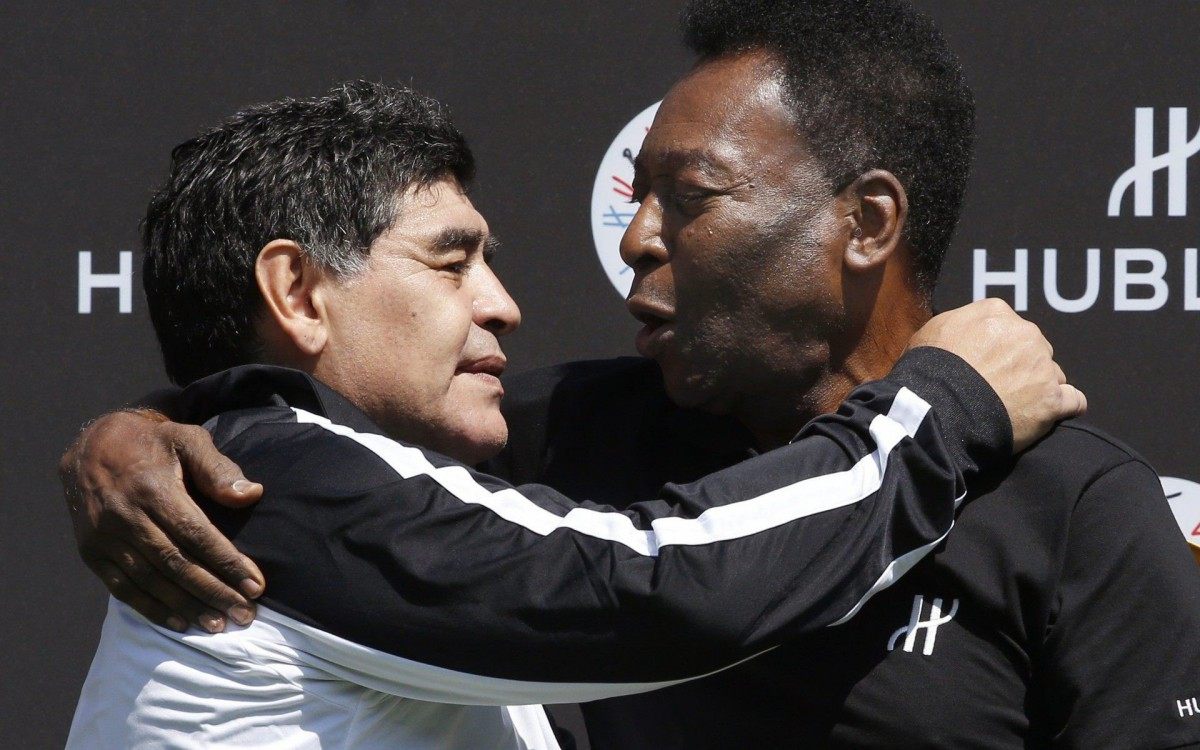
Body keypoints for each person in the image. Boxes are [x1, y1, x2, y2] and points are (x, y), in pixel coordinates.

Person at [62, 0, 1200, 747]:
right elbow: (660, 586)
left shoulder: (1075, 507)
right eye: (451, 260)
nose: (637, 238)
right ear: (299, 292)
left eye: (689, 198)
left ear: (866, 223)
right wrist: (153, 431)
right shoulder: (563, 441)